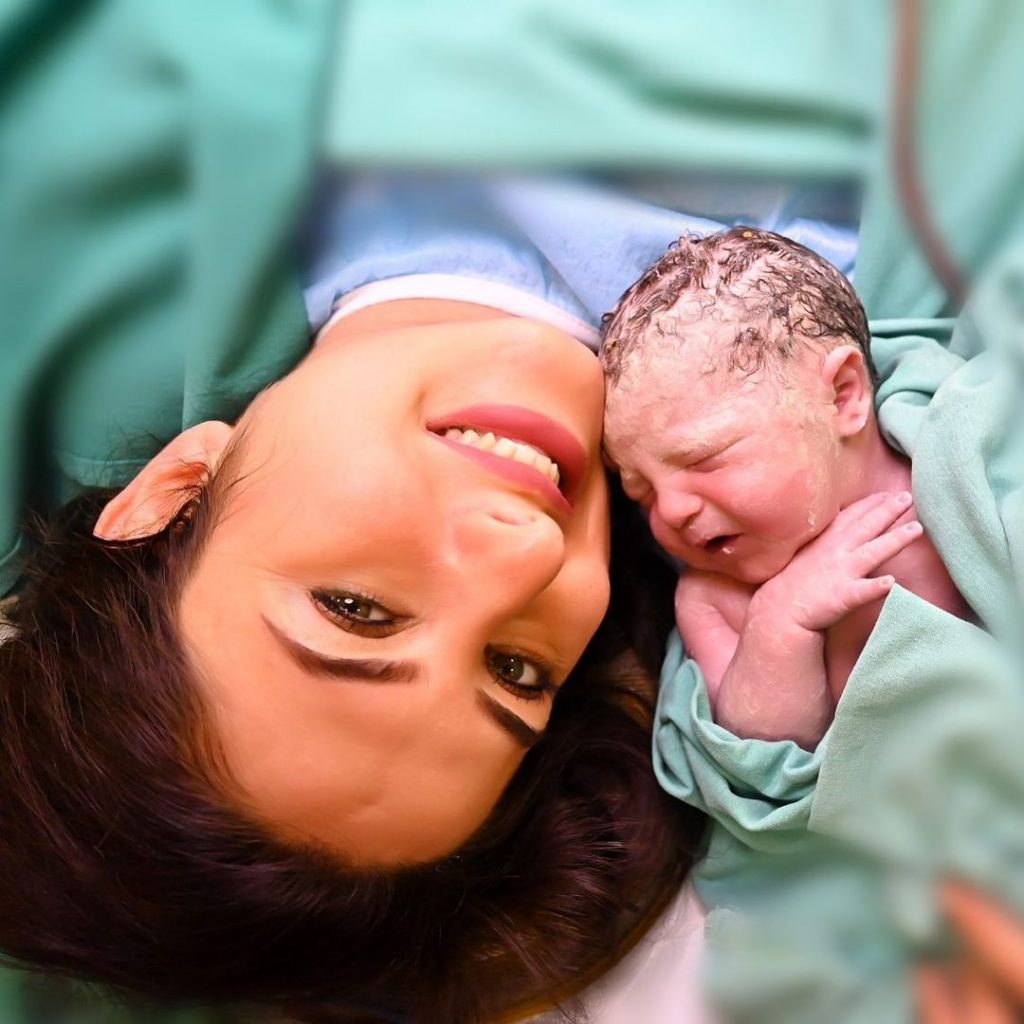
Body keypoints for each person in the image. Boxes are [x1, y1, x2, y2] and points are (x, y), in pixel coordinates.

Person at [601, 228, 970, 749]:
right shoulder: (713, 598)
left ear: (843, 397)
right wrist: (780, 623)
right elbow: (762, 754)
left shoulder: (950, 469)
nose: (672, 511)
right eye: (642, 494)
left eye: (704, 459)